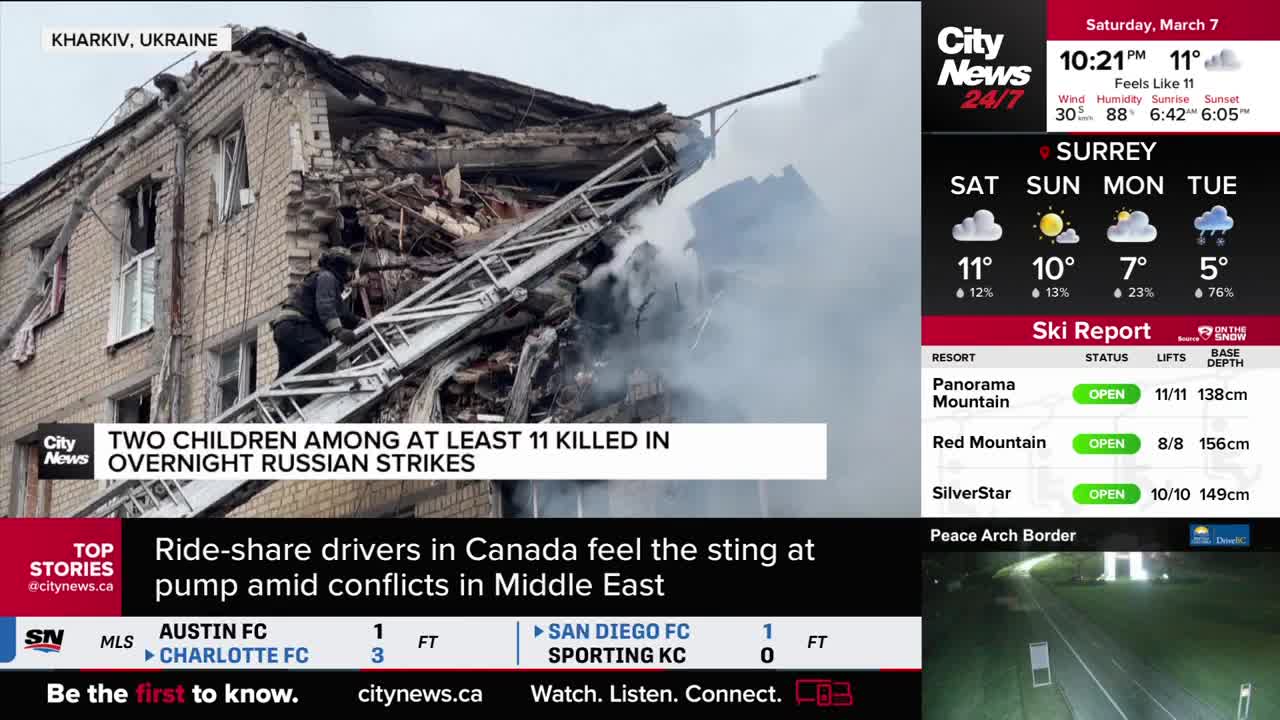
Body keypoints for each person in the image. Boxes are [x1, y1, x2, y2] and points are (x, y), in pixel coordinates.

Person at [271, 246, 361, 378]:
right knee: (326, 360)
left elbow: (343, 314)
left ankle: (276, 398)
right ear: (339, 265)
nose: (350, 274)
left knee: (288, 375)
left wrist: (363, 323)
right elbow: (325, 306)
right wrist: (338, 331)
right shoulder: (327, 277)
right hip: (297, 326)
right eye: (348, 269)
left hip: (283, 327)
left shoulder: (323, 279)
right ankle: (308, 398)